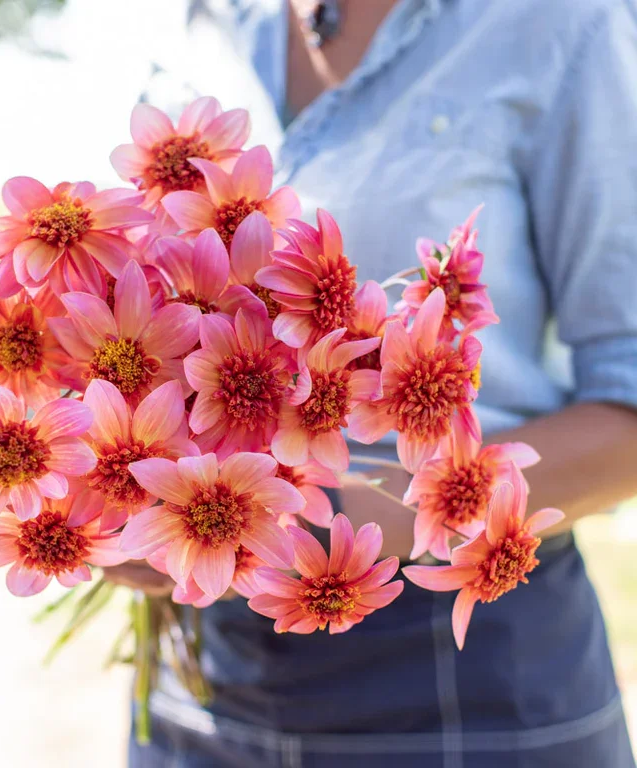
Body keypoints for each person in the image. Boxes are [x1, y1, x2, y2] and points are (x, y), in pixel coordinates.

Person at [106, 0, 637, 765]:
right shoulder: (202, 24)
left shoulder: (562, 25)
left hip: (470, 679)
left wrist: (343, 525)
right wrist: (115, 495)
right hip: (203, 678)